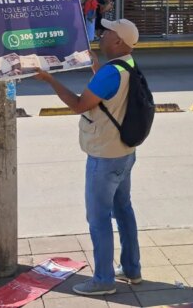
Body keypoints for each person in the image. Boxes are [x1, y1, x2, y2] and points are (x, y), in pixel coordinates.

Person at [35, 19, 143, 296]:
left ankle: (104, 280)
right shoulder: (127, 65)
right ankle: (132, 269)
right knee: (124, 210)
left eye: (107, 32)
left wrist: (49, 80)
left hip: (104, 157)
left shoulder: (110, 73)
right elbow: (111, 95)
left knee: (98, 218)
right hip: (125, 152)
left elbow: (79, 104)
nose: (101, 35)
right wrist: (96, 66)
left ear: (118, 41)